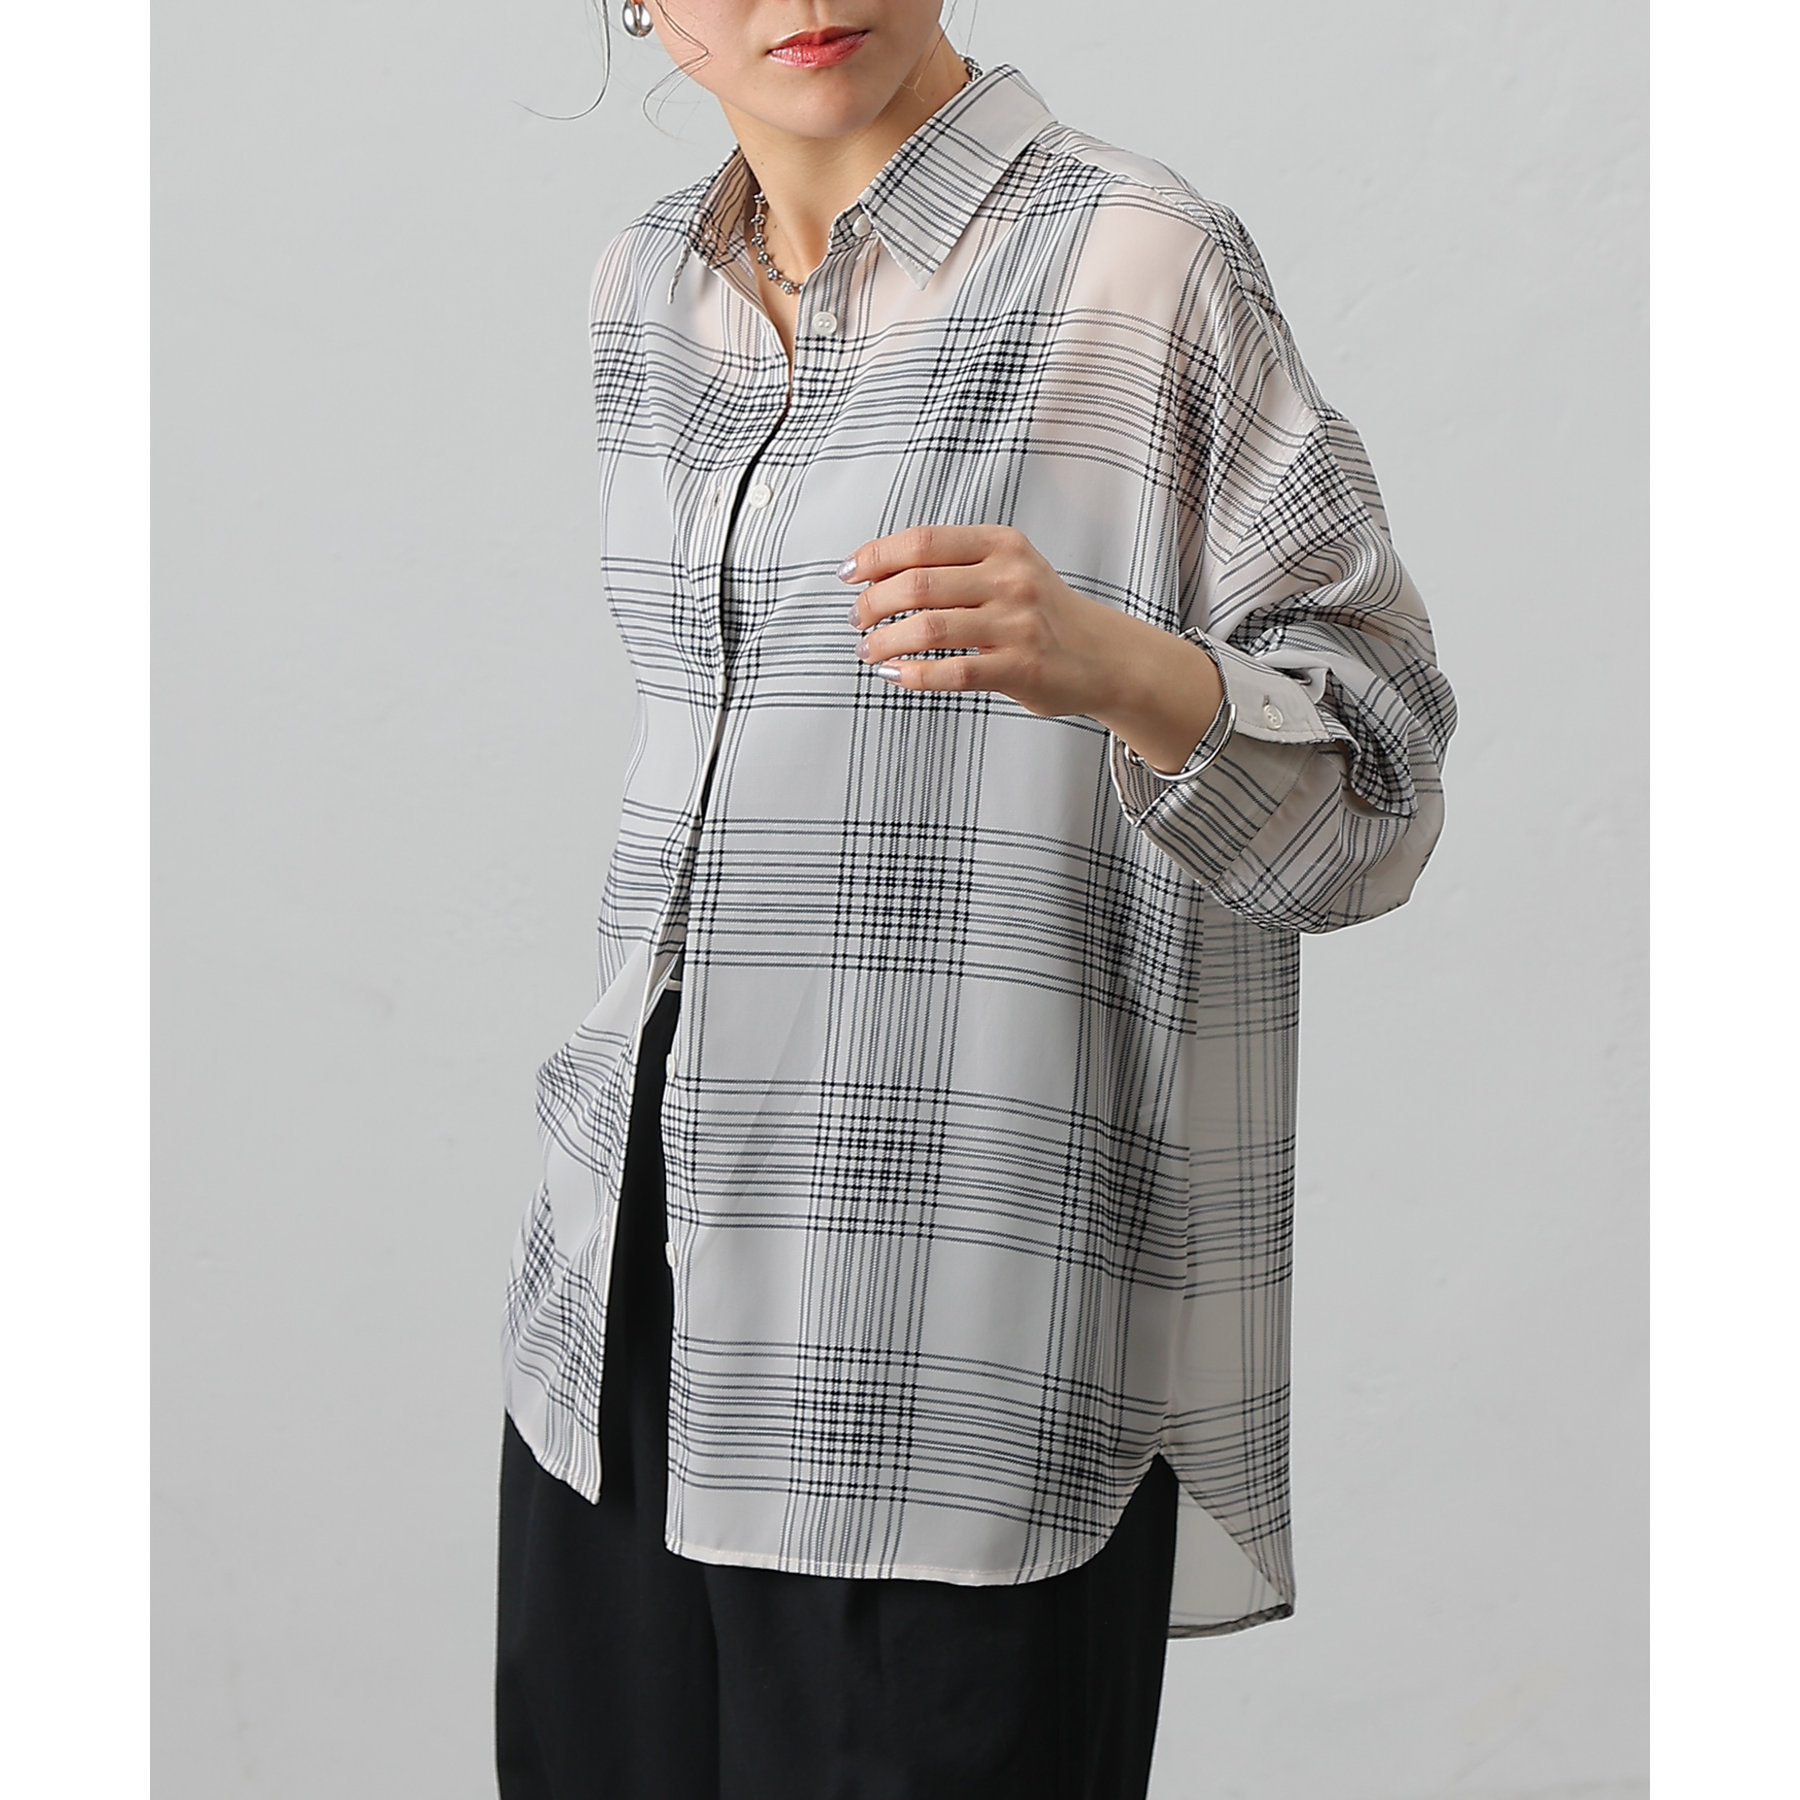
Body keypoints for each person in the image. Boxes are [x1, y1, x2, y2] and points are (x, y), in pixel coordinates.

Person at [495, 5, 1456, 1796]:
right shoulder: (648, 291)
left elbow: (1378, 795)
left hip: (951, 1341)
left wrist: (1123, 667)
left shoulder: (1139, 266)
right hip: (620, 1315)